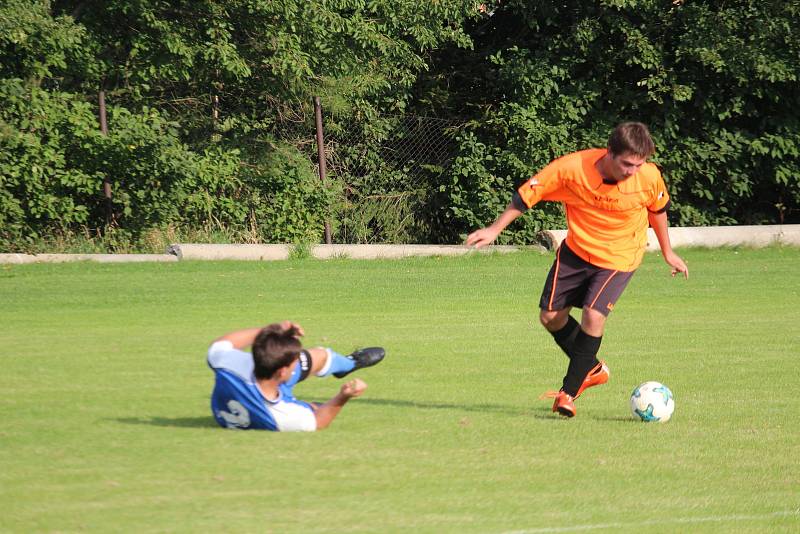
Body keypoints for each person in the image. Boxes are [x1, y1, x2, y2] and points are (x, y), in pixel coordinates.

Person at [465, 122, 688, 417]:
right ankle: (592, 367)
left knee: (593, 315)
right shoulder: (572, 169)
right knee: (550, 317)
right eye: (627, 164)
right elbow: (527, 195)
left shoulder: (648, 176)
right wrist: (494, 230)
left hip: (620, 256)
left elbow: (657, 210)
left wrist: (667, 251)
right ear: (609, 152)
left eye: (639, 164)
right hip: (578, 251)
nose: (633, 171)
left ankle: (568, 392)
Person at [207, 320, 385, 431]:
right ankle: (350, 363)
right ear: (283, 371)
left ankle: (349, 365)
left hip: (260, 386)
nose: (297, 362)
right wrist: (343, 396)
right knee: (316, 406)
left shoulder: (230, 366)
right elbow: (319, 421)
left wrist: (271, 331)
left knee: (320, 356)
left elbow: (221, 344)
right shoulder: (282, 415)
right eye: (294, 361)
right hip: (268, 399)